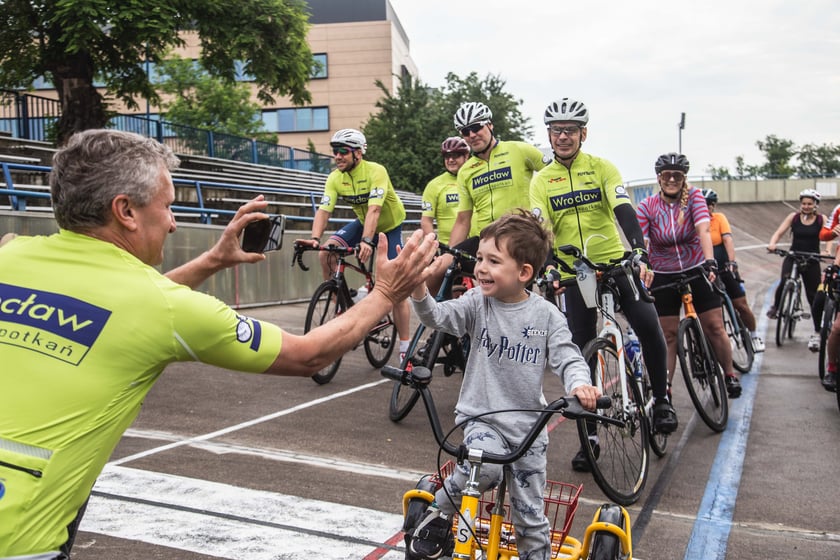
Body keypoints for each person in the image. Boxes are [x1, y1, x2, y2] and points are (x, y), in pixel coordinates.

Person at [0, 129, 439, 560]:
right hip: (22, 540)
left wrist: (213, 259)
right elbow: (310, 355)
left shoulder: (11, 254)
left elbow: (119, 312)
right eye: (168, 206)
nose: (173, 223)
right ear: (125, 211)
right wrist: (385, 292)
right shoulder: (161, 307)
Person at [406, 210, 599, 560]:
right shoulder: (477, 304)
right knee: (487, 466)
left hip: (529, 430)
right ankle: (439, 512)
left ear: (524, 272)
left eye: (493, 260)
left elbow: (568, 358)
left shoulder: (546, 316)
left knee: (531, 521)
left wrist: (580, 385)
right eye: (480, 258)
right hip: (483, 419)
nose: (480, 267)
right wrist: (419, 287)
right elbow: (437, 316)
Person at [530, 97, 677, 474]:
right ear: (550, 134)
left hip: (614, 261)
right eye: (557, 130)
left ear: (583, 133)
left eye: (570, 130)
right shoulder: (542, 180)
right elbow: (541, 227)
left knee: (649, 327)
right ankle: (589, 437)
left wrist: (639, 252)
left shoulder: (601, 168)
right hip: (573, 270)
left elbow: (623, 210)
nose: (563, 137)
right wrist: (547, 267)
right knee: (582, 351)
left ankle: (661, 400)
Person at [296, 128, 413, 360]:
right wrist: (315, 239)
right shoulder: (335, 178)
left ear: (358, 154)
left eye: (343, 152)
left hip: (389, 226)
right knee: (326, 253)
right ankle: (340, 304)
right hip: (362, 222)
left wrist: (368, 241)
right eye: (334, 152)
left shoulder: (376, 171)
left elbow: (375, 209)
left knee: (394, 286)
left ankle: (405, 347)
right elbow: (324, 210)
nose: (337, 156)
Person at [636, 153, 743, 399]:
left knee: (715, 326)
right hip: (663, 273)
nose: (672, 179)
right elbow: (643, 242)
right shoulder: (647, 207)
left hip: (696, 268)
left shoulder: (694, 197)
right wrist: (642, 266)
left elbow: (703, 230)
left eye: (677, 176)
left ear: (684, 178)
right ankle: (665, 391)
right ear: (659, 178)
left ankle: (729, 374)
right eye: (667, 175)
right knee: (669, 335)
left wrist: (710, 262)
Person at [425, 101, 548, 293]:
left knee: (507, 291)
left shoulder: (519, 150)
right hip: (485, 239)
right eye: (466, 131)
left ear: (490, 125)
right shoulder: (466, 171)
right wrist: (449, 252)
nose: (472, 135)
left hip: (519, 237)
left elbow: (556, 175)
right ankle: (447, 319)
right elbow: (463, 219)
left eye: (476, 127)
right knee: (436, 270)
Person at [702, 188, 765, 352]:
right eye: (703, 205)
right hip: (706, 273)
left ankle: (754, 335)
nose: (706, 208)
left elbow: (727, 240)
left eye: (709, 205)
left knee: (741, 305)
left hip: (723, 268)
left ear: (713, 206)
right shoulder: (695, 223)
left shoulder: (719, 219)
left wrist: (732, 262)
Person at [766, 188, 827, 352]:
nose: (806, 206)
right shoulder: (793, 218)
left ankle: (817, 331)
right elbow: (779, 232)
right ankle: (776, 307)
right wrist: (772, 243)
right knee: (785, 279)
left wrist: (827, 250)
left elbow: (828, 237)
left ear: (815, 205)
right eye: (803, 203)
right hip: (794, 255)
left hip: (812, 258)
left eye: (809, 204)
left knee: (813, 295)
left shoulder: (822, 219)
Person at [420, 137, 469, 244]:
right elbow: (426, 221)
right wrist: (432, 247)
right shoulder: (434, 185)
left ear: (466, 156)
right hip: (449, 247)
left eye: (455, 155)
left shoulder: (474, 178)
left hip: (477, 244)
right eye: (447, 156)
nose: (451, 160)